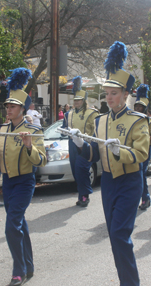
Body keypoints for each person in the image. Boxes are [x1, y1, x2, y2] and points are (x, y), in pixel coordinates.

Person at [72, 41, 149, 286]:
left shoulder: (138, 120)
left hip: (129, 182)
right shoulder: (100, 121)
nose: (108, 98)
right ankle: (124, 284)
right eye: (106, 93)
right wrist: (82, 145)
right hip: (108, 183)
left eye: (114, 93)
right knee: (115, 236)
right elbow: (95, 154)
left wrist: (121, 151)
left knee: (119, 233)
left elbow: (141, 154)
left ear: (125, 94)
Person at [0, 68, 47, 286]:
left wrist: (30, 146)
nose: (8, 109)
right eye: (7, 106)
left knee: (12, 225)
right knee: (19, 224)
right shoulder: (1, 129)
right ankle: (28, 265)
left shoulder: (33, 130)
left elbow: (41, 161)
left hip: (24, 182)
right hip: (7, 182)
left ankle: (18, 271)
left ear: (22, 109)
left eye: (12, 106)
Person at [62, 76, 99, 207]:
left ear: (84, 101)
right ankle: (81, 195)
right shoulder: (68, 114)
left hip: (85, 144)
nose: (76, 103)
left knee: (81, 169)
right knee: (75, 170)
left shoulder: (92, 113)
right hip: (72, 144)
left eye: (79, 101)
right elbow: (64, 127)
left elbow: (97, 130)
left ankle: (85, 195)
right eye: (75, 100)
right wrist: (63, 131)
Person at [133, 84, 151, 210]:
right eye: (136, 106)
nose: (138, 108)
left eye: (140, 107)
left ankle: (145, 198)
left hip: (145, 150)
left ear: (144, 108)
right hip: (132, 150)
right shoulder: (131, 119)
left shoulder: (150, 121)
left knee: (141, 175)